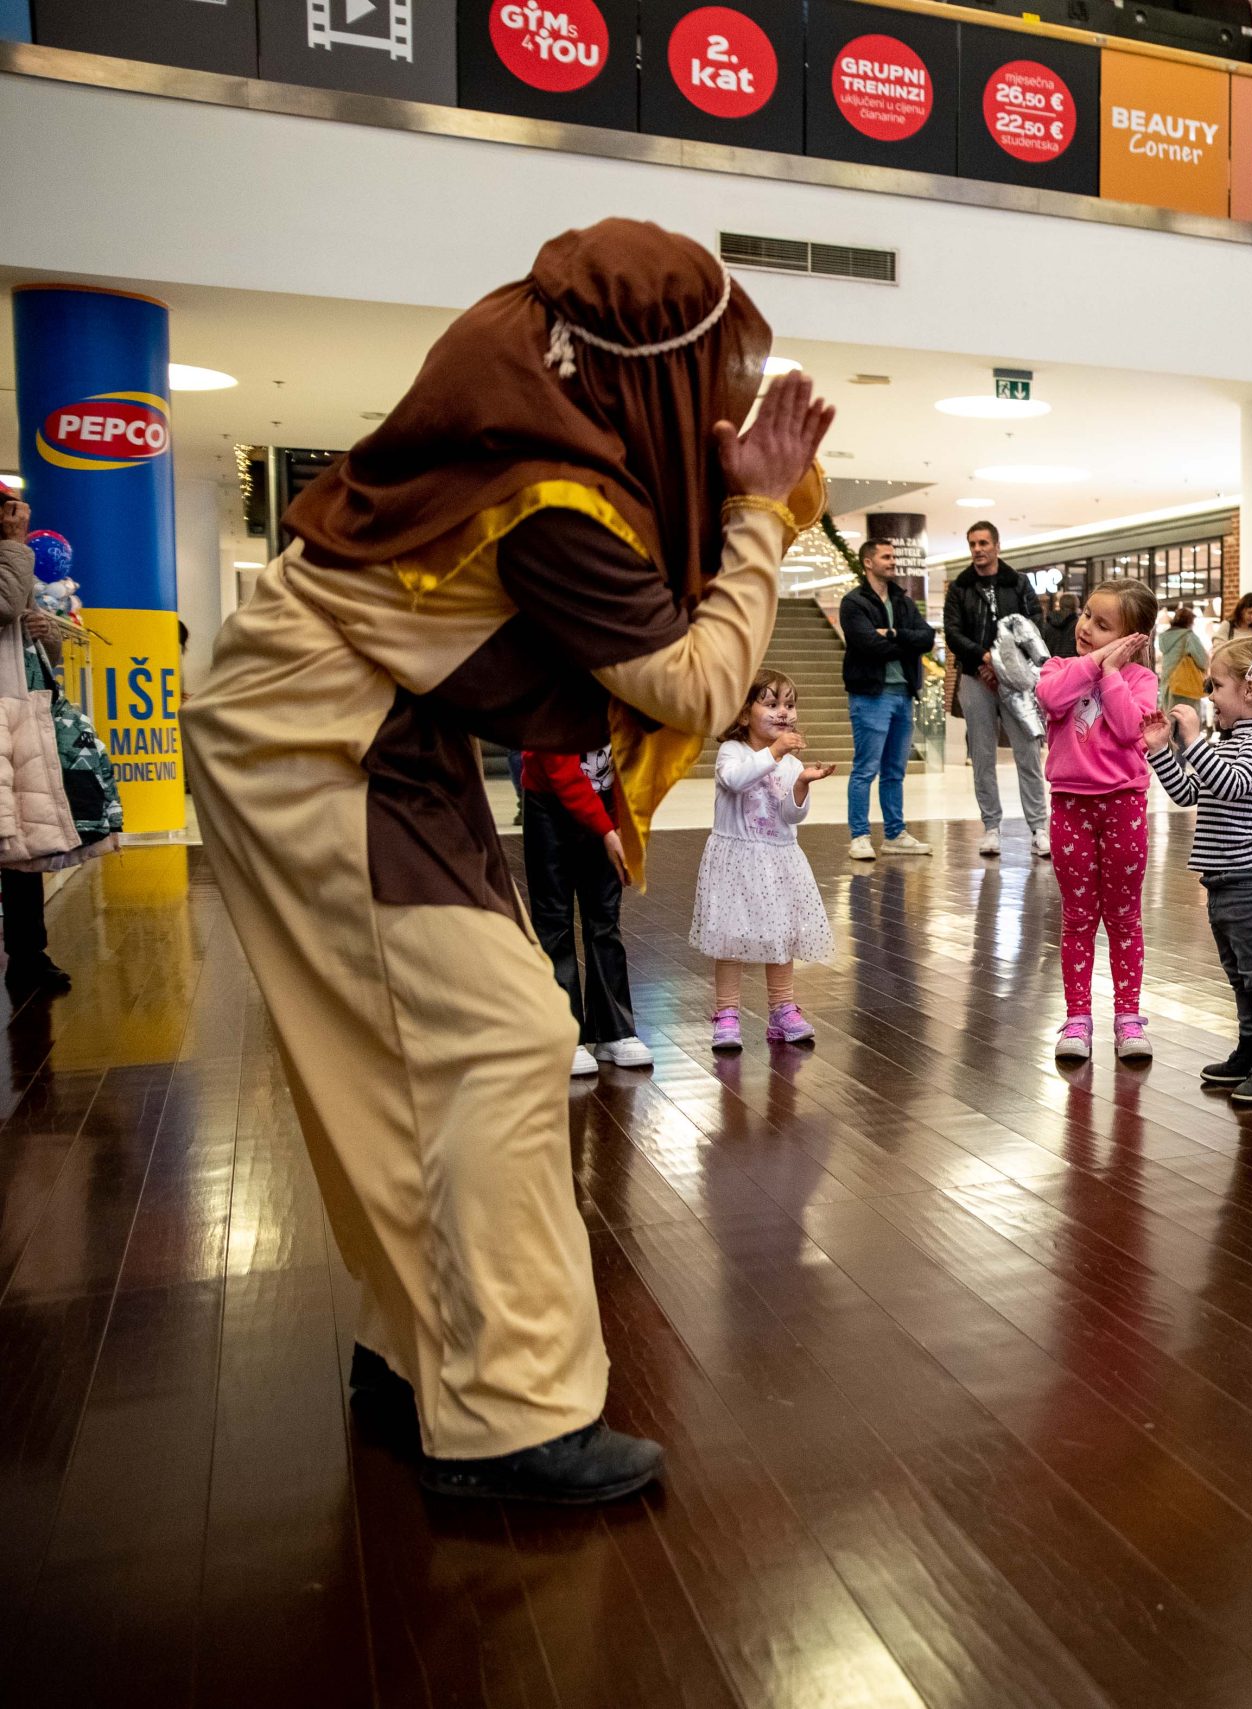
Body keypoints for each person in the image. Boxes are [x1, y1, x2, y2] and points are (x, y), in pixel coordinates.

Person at [183, 219, 833, 1503]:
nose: (713, 401)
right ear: (642, 370)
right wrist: (760, 512)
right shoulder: (549, 495)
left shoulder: (523, 396)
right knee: (496, 1040)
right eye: (699, 372)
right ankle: (504, 1415)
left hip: (364, 726)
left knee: (425, 1055)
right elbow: (698, 684)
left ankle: (417, 1350)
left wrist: (748, 497)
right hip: (321, 741)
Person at [1144, 634, 1252, 1104]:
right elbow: (1190, 793)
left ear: (1249, 690)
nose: (1210, 696)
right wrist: (1161, 751)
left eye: (1216, 687)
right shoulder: (1232, 740)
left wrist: (1193, 741)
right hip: (1226, 880)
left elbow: (1232, 784)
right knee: (1240, 973)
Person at [1037, 577, 1160, 1063]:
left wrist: (1110, 672)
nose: (1086, 627)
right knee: (1077, 917)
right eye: (1087, 614)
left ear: (1133, 640)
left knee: (1124, 916)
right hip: (1071, 806)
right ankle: (1077, 1018)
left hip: (1124, 806)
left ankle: (1128, 1017)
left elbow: (1131, 729)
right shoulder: (1059, 668)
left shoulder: (1140, 681)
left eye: (1103, 625)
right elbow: (1052, 699)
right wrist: (1095, 663)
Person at [692, 669, 836, 1051]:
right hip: (736, 858)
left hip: (779, 861)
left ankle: (782, 1009)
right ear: (744, 714)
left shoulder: (790, 764)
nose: (783, 712)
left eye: (789, 705)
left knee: (782, 934)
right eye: (771, 704)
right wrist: (774, 753)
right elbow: (735, 780)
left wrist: (801, 783)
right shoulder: (732, 751)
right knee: (730, 937)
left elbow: (790, 815)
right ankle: (726, 1013)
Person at [520, 743, 652, 1077]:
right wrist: (606, 830)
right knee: (554, 921)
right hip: (548, 805)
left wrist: (621, 824)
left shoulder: (625, 710)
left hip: (604, 804)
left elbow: (629, 761)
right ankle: (564, 1035)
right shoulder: (556, 708)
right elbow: (559, 767)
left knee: (605, 918)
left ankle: (614, 1031)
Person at [943, 520, 1049, 858]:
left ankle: (1039, 827)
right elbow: (953, 633)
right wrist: (985, 659)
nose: (977, 549)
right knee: (982, 756)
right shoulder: (960, 587)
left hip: (1016, 681)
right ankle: (991, 827)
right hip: (976, 678)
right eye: (972, 544)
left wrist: (1008, 662)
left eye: (983, 543)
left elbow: (1034, 624)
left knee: (1028, 752)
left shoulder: (1017, 583)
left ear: (997, 545)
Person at [0, 494, 69, 999]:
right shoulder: (12, 554)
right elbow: (3, 607)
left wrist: (45, 634)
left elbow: (32, 641)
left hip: (16, 714)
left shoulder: (11, 562)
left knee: (21, 845)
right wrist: (14, 543)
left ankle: (28, 956)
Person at [838, 534, 934, 861]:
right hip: (870, 697)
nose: (893, 562)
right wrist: (906, 643)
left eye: (894, 557)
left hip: (903, 695)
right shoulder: (854, 603)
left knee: (895, 771)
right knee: (865, 769)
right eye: (886, 557)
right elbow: (867, 644)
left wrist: (893, 634)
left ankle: (894, 834)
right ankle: (859, 836)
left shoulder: (902, 601)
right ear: (868, 562)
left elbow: (927, 638)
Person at [1158, 602, 1211, 713]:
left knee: (1170, 717)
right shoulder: (1189, 637)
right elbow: (1203, 661)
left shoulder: (1164, 637)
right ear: (1189, 622)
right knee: (1187, 718)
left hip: (1167, 685)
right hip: (1185, 686)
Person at [1042, 585, 1084, 660]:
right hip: (1071, 664)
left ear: (1060, 604)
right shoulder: (1079, 625)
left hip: (1051, 663)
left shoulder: (1048, 624)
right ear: (1076, 605)